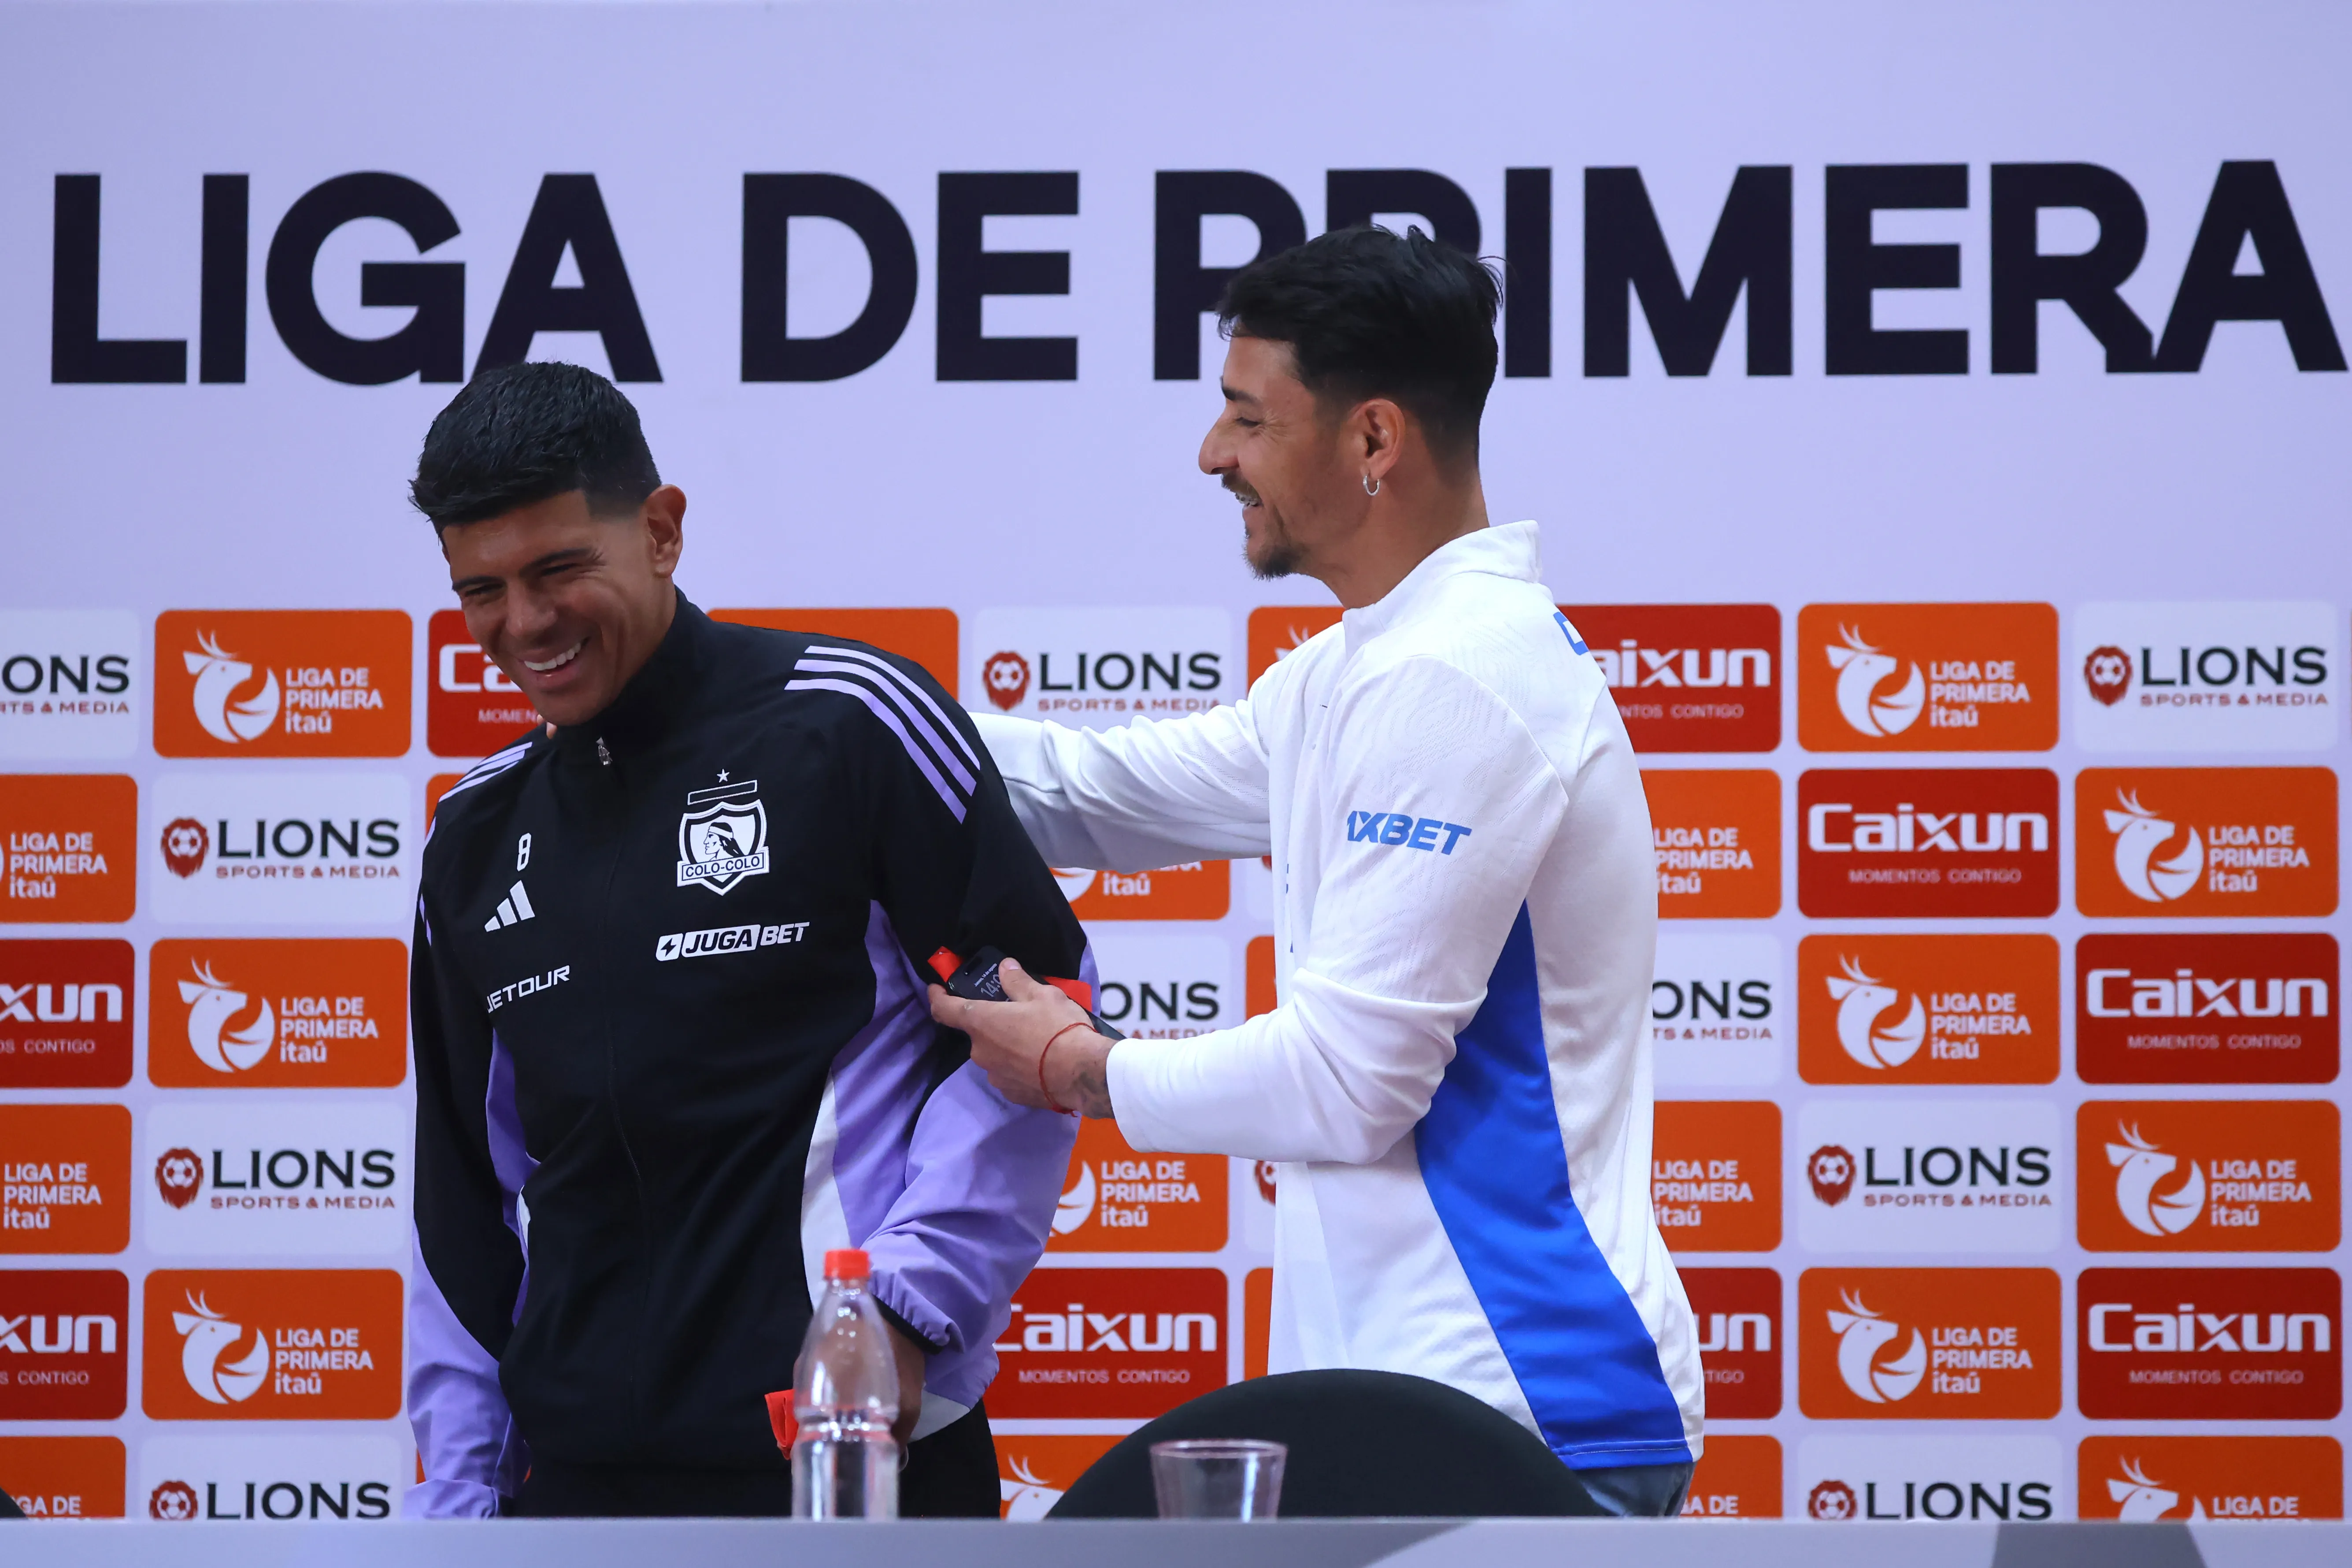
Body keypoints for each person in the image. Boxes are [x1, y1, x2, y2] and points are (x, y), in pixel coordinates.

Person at [933, 227, 1703, 1516]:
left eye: (1245, 416)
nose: (1211, 455)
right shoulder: (1370, 664)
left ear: (1373, 441)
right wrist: (823, 717)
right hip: (1423, 1410)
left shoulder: (1455, 678)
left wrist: (1079, 1066)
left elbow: (1351, 1081)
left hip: (1518, 1414)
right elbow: (1093, 793)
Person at [404, 361, 1090, 1518]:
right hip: (575, 1493)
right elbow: (460, 1200)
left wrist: (905, 1318)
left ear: (663, 529)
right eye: (483, 589)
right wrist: (461, 1491)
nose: (524, 624)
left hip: (850, 1460)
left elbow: (1037, 1017)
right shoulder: (474, 835)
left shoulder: (850, 721)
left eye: (559, 568)